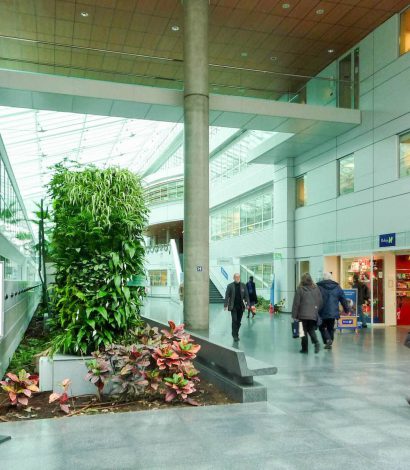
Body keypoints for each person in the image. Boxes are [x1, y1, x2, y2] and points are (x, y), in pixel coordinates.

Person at [292, 273, 323, 354]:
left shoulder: (300, 289)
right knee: (311, 330)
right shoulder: (316, 288)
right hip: (312, 314)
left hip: (302, 315)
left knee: (302, 332)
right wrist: (316, 310)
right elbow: (320, 301)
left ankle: (304, 349)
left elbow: (296, 303)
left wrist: (294, 315)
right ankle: (316, 342)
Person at [317, 272, 350, 350]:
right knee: (330, 327)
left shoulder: (318, 287)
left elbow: (314, 298)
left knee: (322, 327)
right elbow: (343, 299)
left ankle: (327, 340)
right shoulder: (337, 287)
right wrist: (346, 309)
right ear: (330, 278)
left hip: (322, 311)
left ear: (323, 278)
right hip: (333, 311)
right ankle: (330, 340)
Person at [224, 273, 250, 341]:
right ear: (233, 278)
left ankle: (236, 332)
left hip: (241, 307)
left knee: (238, 322)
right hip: (233, 307)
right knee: (234, 320)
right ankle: (235, 335)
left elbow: (246, 296)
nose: (237, 278)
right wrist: (225, 305)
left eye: (238, 277)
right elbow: (227, 296)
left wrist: (248, 304)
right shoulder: (230, 286)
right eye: (236, 277)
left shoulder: (243, 286)